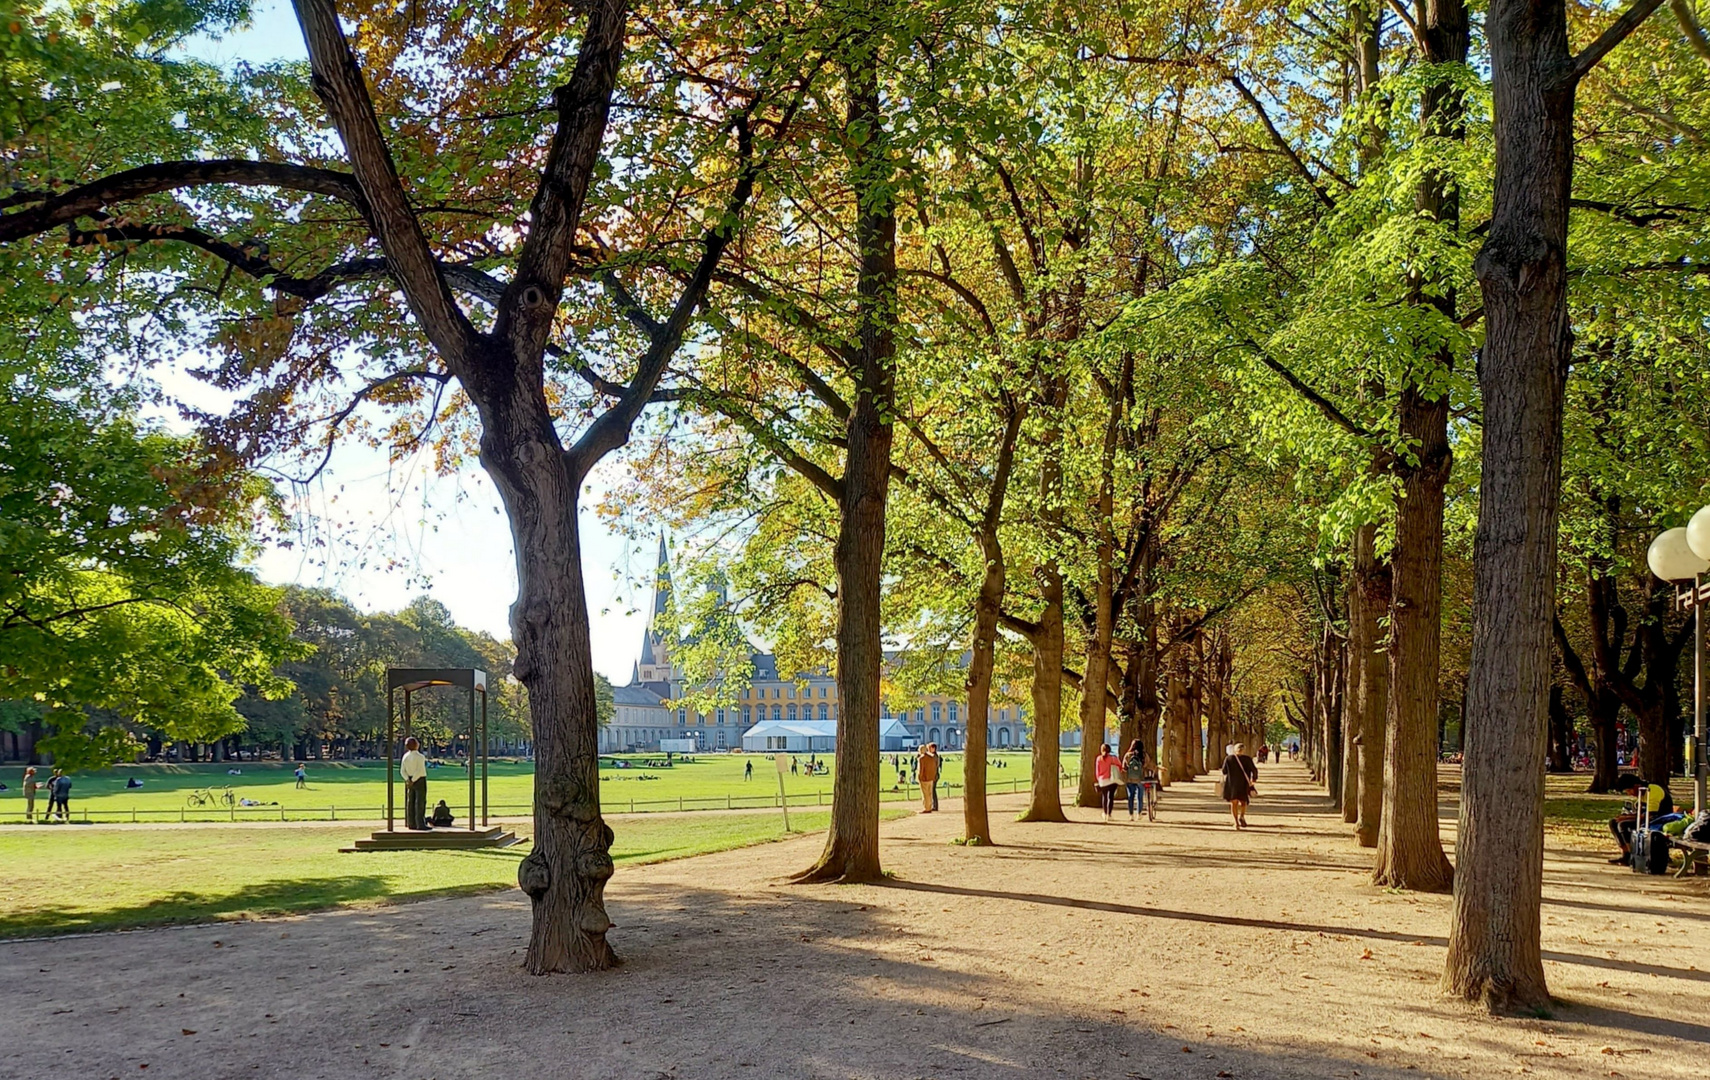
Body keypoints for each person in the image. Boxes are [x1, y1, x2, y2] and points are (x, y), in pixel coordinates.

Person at [1608, 774, 1672, 864]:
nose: (1629, 794)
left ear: (1636, 786)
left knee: (1623, 825)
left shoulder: (1653, 790)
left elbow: (1650, 815)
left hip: (1658, 820)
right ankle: (1626, 854)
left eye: (1629, 790)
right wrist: (1626, 816)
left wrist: (1626, 818)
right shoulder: (1641, 793)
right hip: (1646, 819)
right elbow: (1640, 812)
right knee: (1613, 822)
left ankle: (1633, 855)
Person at [1218, 742, 1258, 829]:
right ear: (1244, 750)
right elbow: (1254, 770)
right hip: (1243, 784)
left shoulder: (1229, 759)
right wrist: (1253, 779)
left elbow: (1224, 771)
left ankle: (1236, 823)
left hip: (1232, 784)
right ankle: (1242, 816)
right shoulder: (1247, 759)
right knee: (1243, 802)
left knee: (1234, 803)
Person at [400, 737, 429, 830]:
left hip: (409, 779)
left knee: (410, 802)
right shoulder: (420, 757)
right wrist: (414, 779)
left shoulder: (405, 756)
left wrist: (408, 780)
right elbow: (420, 770)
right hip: (419, 779)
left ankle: (411, 823)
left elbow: (402, 771)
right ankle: (420, 823)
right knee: (420, 802)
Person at [1094, 743, 1124, 822]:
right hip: (1112, 780)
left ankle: (1104, 812)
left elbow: (1097, 771)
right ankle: (1109, 814)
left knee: (1104, 797)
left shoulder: (1099, 759)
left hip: (1103, 780)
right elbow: (1120, 767)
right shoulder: (1113, 758)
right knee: (1111, 797)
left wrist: (1099, 779)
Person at [1122, 740, 1147, 821]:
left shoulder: (1128, 755)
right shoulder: (1143, 755)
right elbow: (1148, 764)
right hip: (1140, 778)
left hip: (1130, 779)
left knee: (1131, 797)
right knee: (1140, 797)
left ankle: (1131, 815)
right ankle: (1139, 814)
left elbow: (1124, 767)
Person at [918, 742, 941, 812]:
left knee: (926, 794)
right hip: (931, 777)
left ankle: (927, 808)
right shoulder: (932, 757)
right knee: (930, 793)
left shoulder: (921, 759)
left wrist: (919, 777)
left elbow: (921, 769)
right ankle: (931, 806)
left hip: (925, 778)